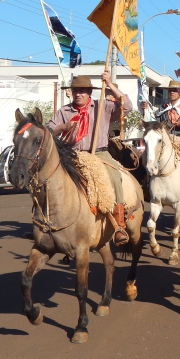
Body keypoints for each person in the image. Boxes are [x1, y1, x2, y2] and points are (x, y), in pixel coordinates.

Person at [46, 72, 133, 244]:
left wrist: (109, 84)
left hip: (99, 153)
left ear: (89, 93)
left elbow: (127, 106)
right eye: (76, 90)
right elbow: (48, 129)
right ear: (71, 92)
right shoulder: (64, 111)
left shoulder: (103, 106)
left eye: (83, 90)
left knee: (115, 178)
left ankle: (119, 226)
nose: (79, 94)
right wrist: (64, 126)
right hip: (72, 154)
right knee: (50, 180)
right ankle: (47, 223)